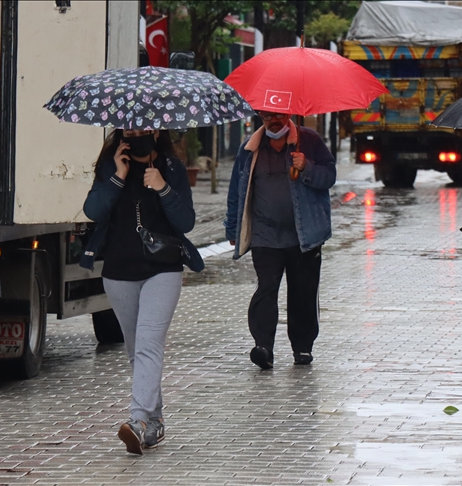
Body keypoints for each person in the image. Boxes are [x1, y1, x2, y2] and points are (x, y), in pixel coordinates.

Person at [80, 128, 204, 455]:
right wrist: (118, 177)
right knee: (137, 350)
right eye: (130, 127)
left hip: (162, 271)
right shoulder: (110, 165)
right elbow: (93, 211)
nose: (137, 132)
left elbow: (187, 220)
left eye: (143, 127)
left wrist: (162, 187)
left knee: (149, 343)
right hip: (119, 274)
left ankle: (137, 421)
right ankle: (156, 420)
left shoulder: (171, 167)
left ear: (157, 129)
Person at [224, 111, 336, 369]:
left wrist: (306, 166)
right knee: (266, 287)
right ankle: (263, 346)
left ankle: (303, 347)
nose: (273, 120)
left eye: (278, 114)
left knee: (303, 292)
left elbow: (329, 177)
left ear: (288, 114)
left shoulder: (310, 141)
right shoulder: (249, 148)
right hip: (265, 235)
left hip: (304, 234)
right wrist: (232, 228)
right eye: (267, 115)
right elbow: (236, 189)